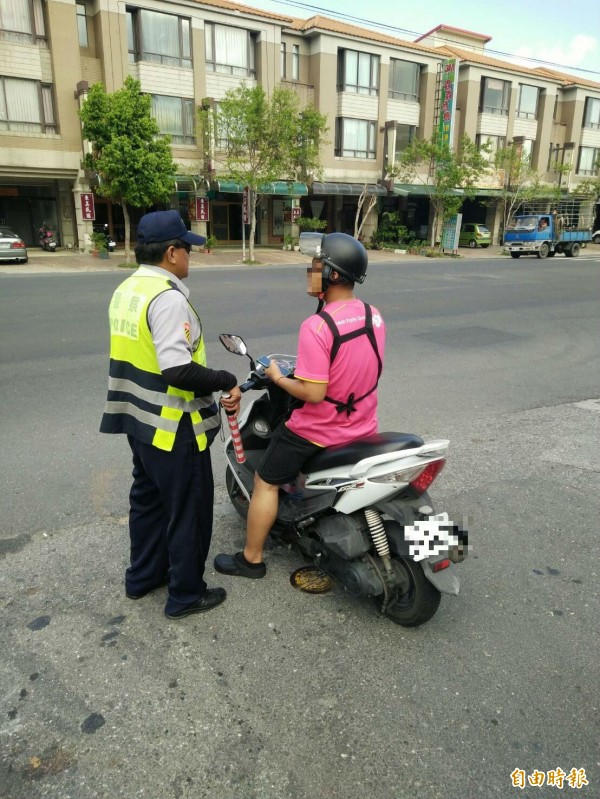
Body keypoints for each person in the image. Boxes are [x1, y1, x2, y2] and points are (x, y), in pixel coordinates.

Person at [215, 232, 385, 579]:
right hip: (364, 424)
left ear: (333, 275)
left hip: (319, 430)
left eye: (316, 265)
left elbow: (313, 393)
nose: (310, 271)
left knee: (265, 481)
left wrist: (277, 377)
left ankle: (251, 559)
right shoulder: (373, 315)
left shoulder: (317, 326)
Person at [100, 210, 241, 619]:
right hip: (173, 427)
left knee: (147, 503)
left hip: (138, 421)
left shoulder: (128, 289)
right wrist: (225, 377)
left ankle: (142, 577)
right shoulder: (168, 297)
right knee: (188, 511)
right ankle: (185, 594)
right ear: (172, 252)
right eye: (187, 249)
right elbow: (177, 368)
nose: (190, 258)